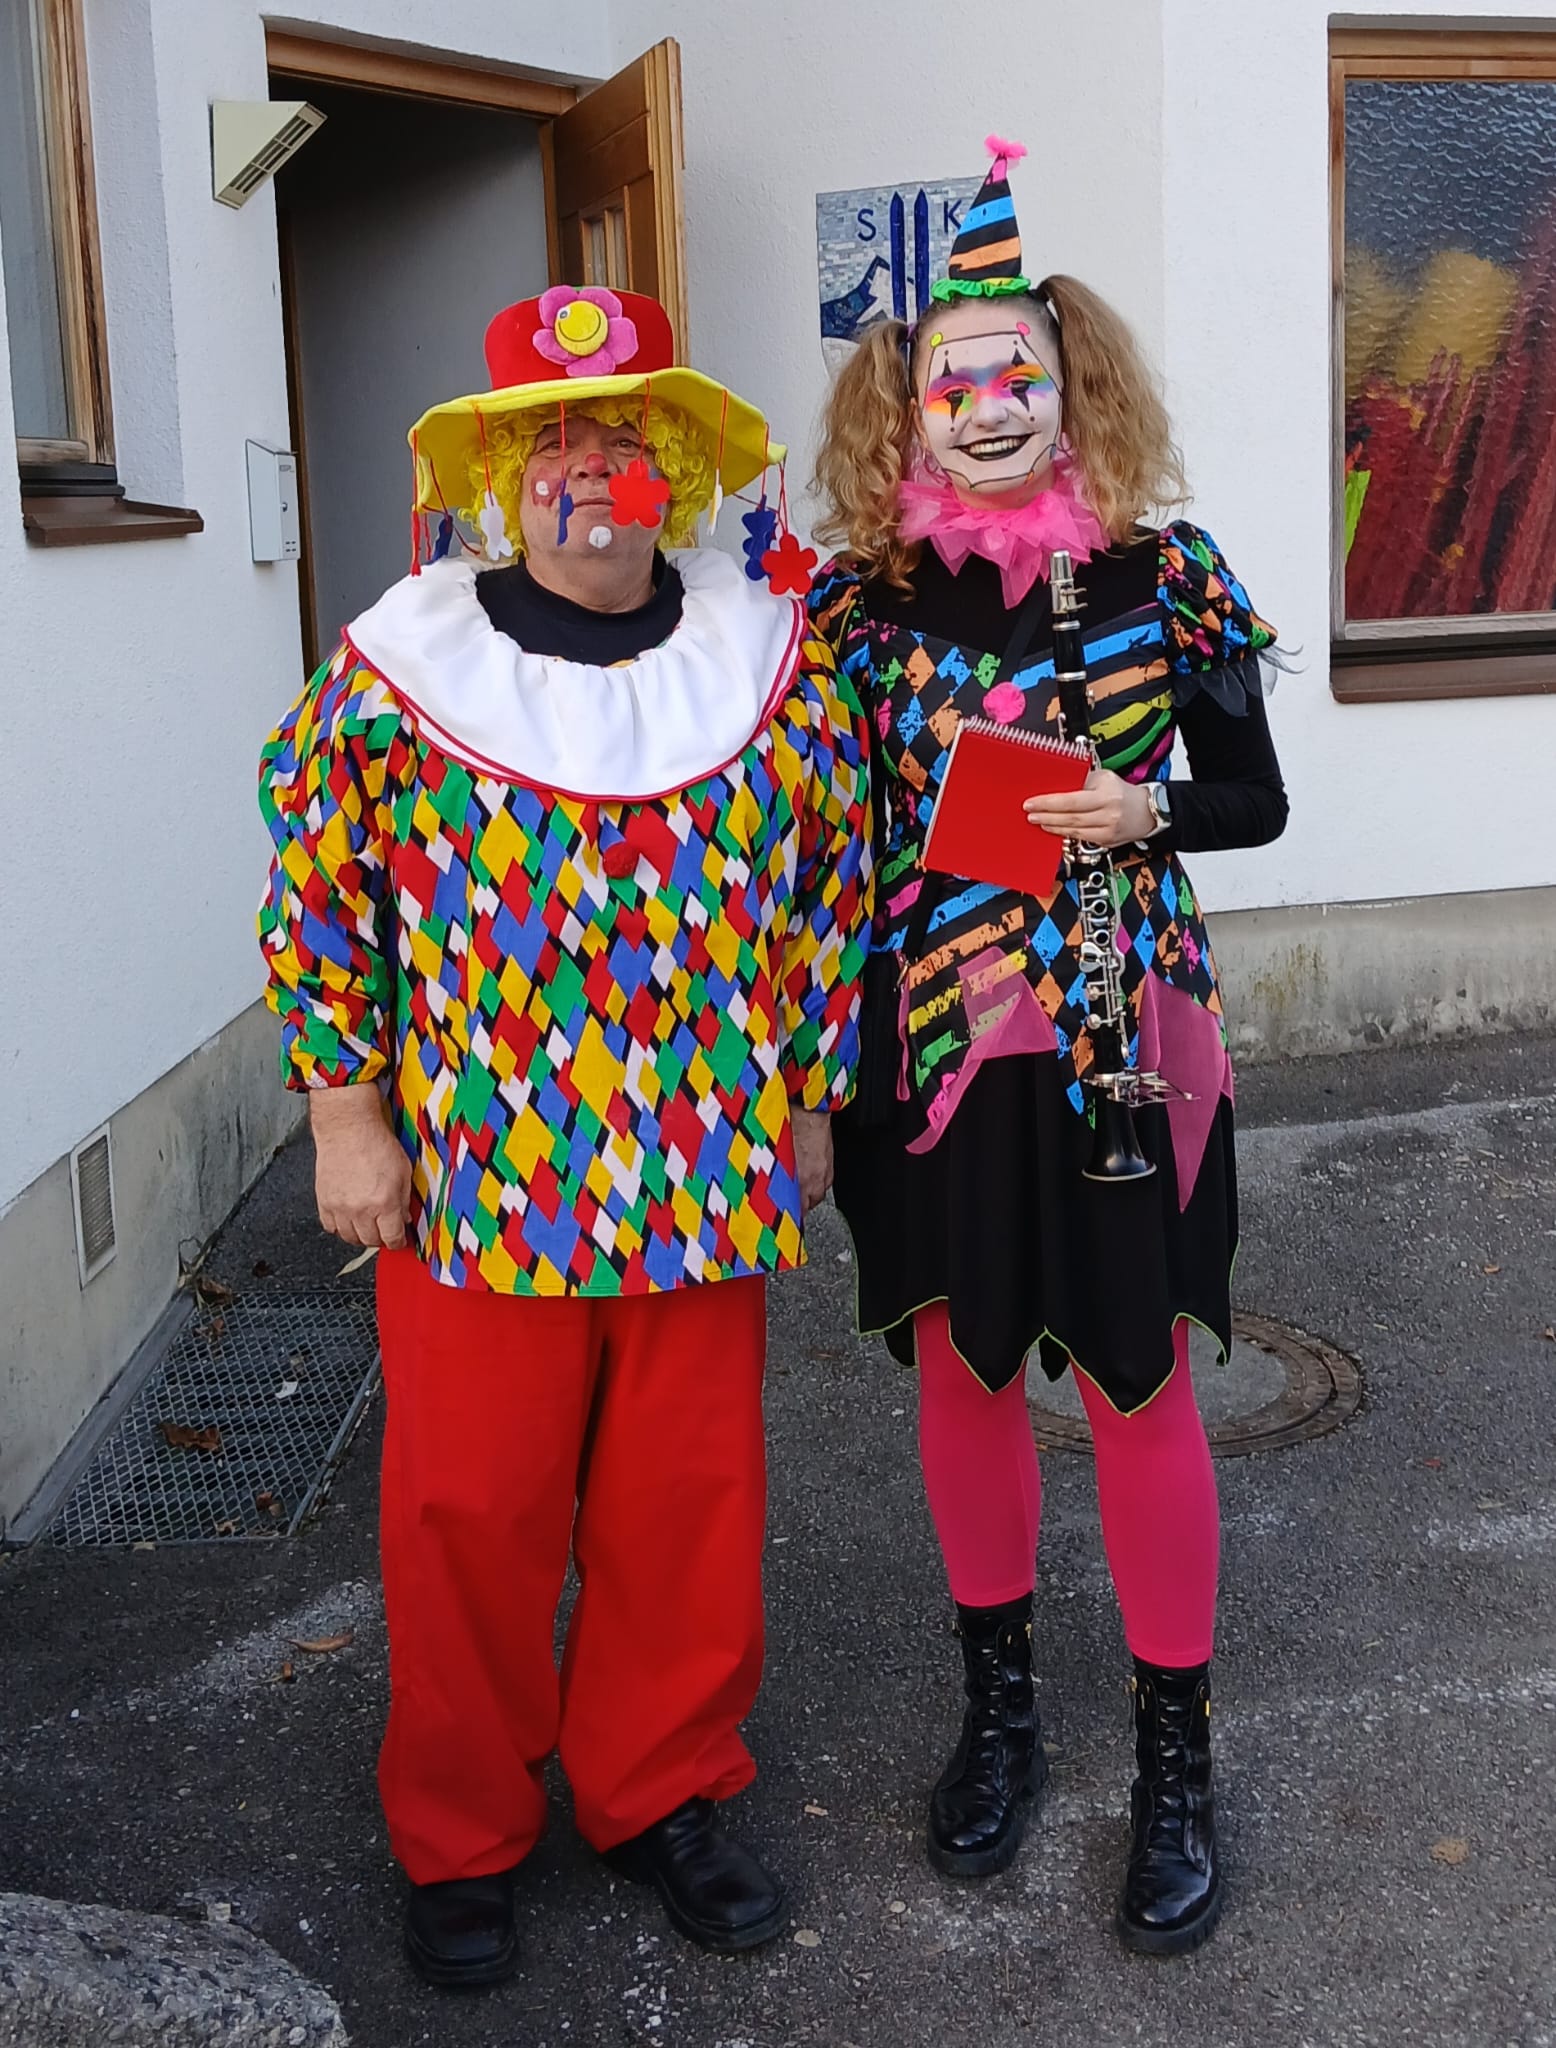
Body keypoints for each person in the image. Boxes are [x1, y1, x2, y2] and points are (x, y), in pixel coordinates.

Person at [257, 285, 871, 1989]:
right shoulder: (400, 669)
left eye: (620, 435)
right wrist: (344, 1115)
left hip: (705, 1160)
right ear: (500, 479)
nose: (584, 469)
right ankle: (461, 1827)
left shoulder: (770, 663)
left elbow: (828, 895)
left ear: (675, 464)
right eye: (547, 444)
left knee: (686, 1507)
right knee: (469, 1512)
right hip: (480, 1173)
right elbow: (317, 894)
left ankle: (660, 1786)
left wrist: (809, 1096)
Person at [808, 138, 1288, 1954]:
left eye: (1021, 375)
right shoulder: (852, 604)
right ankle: (999, 1714)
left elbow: (1255, 799)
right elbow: (807, 830)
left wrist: (1144, 807)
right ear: (906, 403)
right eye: (955, 382)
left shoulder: (1169, 573)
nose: (991, 407)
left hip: (1118, 1039)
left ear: (1072, 384)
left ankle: (1178, 1759)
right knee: (964, 1365)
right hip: (934, 1043)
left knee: (1138, 1376)